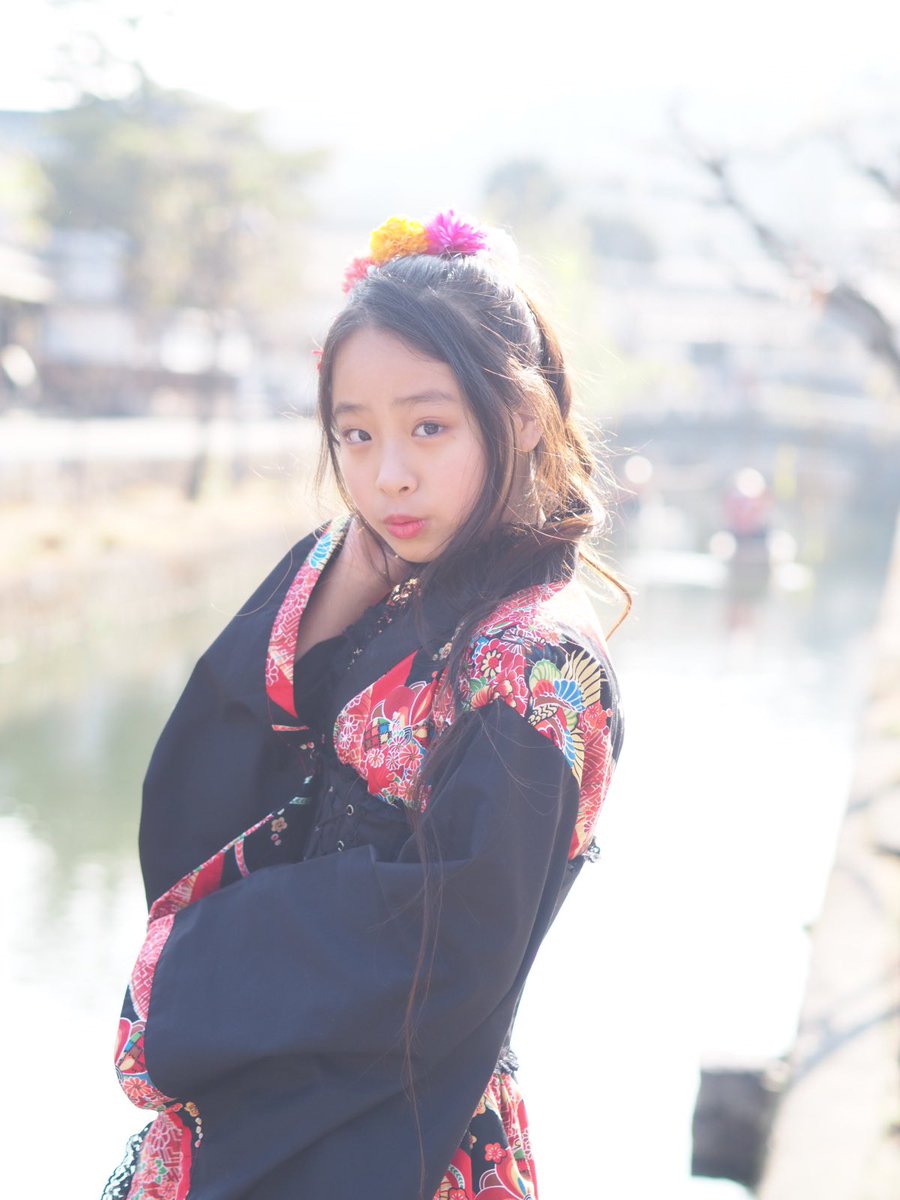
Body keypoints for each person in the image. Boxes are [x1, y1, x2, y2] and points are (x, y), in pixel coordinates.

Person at [103, 211, 629, 1200]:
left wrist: (208, 961)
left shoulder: (539, 663)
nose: (388, 475)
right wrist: (339, 583)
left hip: (391, 1130)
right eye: (357, 434)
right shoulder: (387, 584)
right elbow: (204, 788)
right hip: (279, 1091)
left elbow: (450, 948)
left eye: (429, 427)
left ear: (522, 418)